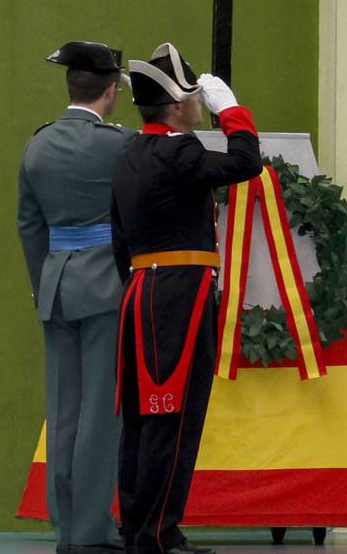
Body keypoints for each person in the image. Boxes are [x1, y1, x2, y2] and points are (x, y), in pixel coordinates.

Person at [110, 43, 260, 554]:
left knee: (142, 419)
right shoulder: (180, 151)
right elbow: (246, 162)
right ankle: (158, 533)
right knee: (174, 417)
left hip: (141, 291)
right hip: (178, 297)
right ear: (177, 106)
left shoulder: (131, 153)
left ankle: (136, 526)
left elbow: (119, 242)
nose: (200, 104)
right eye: (195, 96)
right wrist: (232, 110)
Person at [18, 40, 135, 554]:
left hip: (56, 286)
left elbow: (29, 226)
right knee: (99, 415)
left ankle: (67, 526)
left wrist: (43, 282)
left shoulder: (36, 145)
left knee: (63, 409)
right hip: (107, 286)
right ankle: (90, 531)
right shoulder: (120, 144)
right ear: (110, 92)